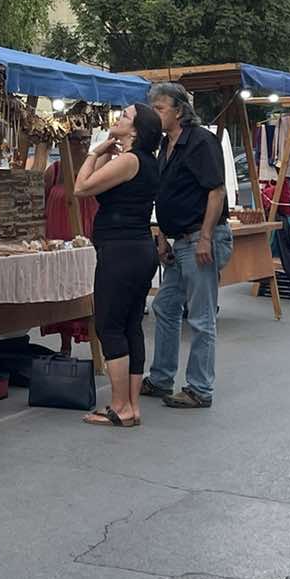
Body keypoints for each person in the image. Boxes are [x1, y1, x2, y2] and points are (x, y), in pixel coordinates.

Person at [142, 82, 232, 410]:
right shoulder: (167, 145)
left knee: (201, 316)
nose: (155, 114)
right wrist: (163, 235)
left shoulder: (200, 142)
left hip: (199, 239)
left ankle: (199, 388)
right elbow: (165, 195)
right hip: (181, 241)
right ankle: (162, 377)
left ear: (179, 110)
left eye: (160, 108)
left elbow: (216, 191)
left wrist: (205, 236)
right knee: (166, 307)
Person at [74, 104, 163, 428]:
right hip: (137, 250)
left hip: (121, 252)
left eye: (124, 117)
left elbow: (81, 187)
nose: (118, 119)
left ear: (136, 130)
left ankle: (118, 405)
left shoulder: (129, 160)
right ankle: (131, 406)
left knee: (109, 326)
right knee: (129, 326)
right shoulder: (145, 161)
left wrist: (96, 151)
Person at [40, 129, 98, 355]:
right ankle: (65, 345)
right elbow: (41, 205)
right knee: (62, 294)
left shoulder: (95, 170)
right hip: (57, 242)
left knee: (87, 295)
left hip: (86, 241)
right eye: (77, 139)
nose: (83, 144)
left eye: (87, 139)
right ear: (65, 142)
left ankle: (96, 346)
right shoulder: (53, 172)